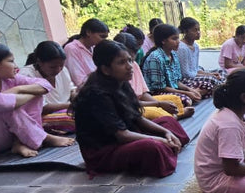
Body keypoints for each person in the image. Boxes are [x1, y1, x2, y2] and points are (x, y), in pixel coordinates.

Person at [71, 40, 190, 177]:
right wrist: (159, 140)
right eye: (121, 63)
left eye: (129, 60)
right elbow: (122, 135)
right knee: (153, 147)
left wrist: (166, 133)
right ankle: (166, 150)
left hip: (126, 135)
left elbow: (137, 118)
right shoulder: (96, 94)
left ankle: (167, 149)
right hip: (104, 150)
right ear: (106, 69)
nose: (130, 66)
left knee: (169, 123)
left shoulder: (121, 83)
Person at [112, 32, 193, 120]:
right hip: (131, 107)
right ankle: (175, 116)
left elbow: (143, 93)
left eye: (130, 59)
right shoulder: (115, 72)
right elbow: (130, 103)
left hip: (142, 101)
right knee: (157, 113)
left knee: (175, 99)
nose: (129, 64)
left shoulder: (134, 65)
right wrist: (158, 104)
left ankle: (173, 115)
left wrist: (159, 104)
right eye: (122, 61)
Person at [141, 24, 211, 106]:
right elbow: (159, 87)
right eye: (174, 39)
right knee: (186, 100)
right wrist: (187, 93)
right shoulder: (155, 58)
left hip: (173, 88)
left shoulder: (173, 54)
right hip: (158, 92)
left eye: (178, 38)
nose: (178, 41)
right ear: (163, 41)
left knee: (210, 82)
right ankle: (194, 96)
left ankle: (195, 94)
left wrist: (190, 90)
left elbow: (176, 81)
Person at [20, 41, 76, 134]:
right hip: (43, 116)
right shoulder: (26, 75)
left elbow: (71, 89)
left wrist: (77, 97)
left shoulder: (63, 70)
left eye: (61, 66)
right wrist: (72, 106)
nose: (58, 70)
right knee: (80, 118)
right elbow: (42, 108)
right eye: (52, 67)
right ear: (39, 62)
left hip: (67, 109)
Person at [177, 17, 225, 85]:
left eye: (199, 29)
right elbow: (186, 74)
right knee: (212, 80)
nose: (198, 32)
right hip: (186, 79)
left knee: (221, 72)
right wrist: (208, 75)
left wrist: (209, 74)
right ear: (185, 31)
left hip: (194, 75)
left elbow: (195, 69)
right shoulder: (182, 48)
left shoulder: (196, 46)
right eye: (195, 30)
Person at [63, 18, 109, 87]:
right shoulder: (71, 49)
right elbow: (78, 80)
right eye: (102, 36)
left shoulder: (94, 48)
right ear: (88, 32)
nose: (104, 40)